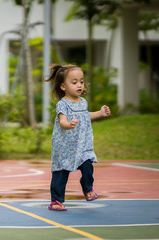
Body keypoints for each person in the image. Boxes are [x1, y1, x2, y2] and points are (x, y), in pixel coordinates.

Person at [45, 64, 110, 211]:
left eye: (81, 81)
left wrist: (100, 113)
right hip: (64, 145)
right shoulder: (63, 104)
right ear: (63, 86)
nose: (79, 85)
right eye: (74, 82)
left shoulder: (83, 102)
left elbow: (86, 116)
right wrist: (69, 124)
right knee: (61, 173)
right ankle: (56, 201)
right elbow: (62, 122)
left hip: (82, 144)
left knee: (88, 165)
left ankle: (88, 190)